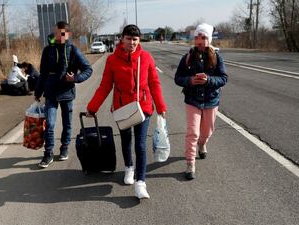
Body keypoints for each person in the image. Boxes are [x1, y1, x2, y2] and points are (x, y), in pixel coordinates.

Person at [86, 24, 167, 199]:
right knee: (126, 140)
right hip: (122, 108)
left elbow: (154, 83)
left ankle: (141, 182)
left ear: (139, 40)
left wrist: (160, 106)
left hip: (142, 107)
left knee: (140, 144)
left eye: (135, 39)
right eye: (129, 39)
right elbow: (105, 86)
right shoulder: (112, 60)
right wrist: (92, 107)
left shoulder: (146, 57)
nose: (132, 42)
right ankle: (129, 167)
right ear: (121, 39)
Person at [35, 21, 93, 168]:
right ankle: (48, 154)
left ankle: (64, 148)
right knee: (50, 124)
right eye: (55, 33)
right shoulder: (47, 50)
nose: (57, 36)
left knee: (67, 124)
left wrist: (75, 78)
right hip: (51, 93)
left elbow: (88, 69)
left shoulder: (73, 50)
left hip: (67, 93)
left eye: (61, 33)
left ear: (68, 35)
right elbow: (42, 73)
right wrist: (38, 92)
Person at [174, 23, 228, 180]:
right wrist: (190, 80)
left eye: (203, 37)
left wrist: (208, 80)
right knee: (193, 132)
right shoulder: (187, 58)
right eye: (197, 37)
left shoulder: (217, 57)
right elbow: (178, 78)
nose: (199, 40)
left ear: (209, 39)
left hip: (211, 100)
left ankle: (202, 144)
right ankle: (190, 164)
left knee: (206, 132)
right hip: (193, 100)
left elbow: (223, 78)